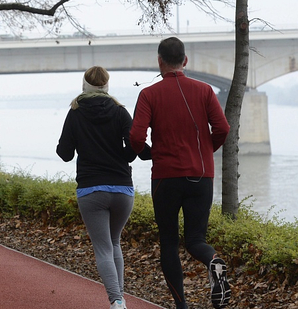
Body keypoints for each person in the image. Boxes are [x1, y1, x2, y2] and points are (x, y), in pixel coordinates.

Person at [130, 37, 231, 309]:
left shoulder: (149, 94)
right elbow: (223, 128)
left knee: (169, 242)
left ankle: (181, 305)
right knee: (196, 239)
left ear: (160, 61)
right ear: (185, 61)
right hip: (201, 175)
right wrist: (206, 153)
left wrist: (142, 151)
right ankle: (213, 261)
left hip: (165, 177)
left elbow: (136, 135)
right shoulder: (205, 90)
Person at [57, 66, 149, 309]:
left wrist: (80, 143)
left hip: (91, 189)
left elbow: (65, 154)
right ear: (106, 85)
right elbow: (134, 147)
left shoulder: (75, 112)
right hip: (122, 189)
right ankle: (120, 299)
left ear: (84, 84)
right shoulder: (120, 111)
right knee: (114, 242)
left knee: (103, 248)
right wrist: (122, 155)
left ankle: (116, 300)